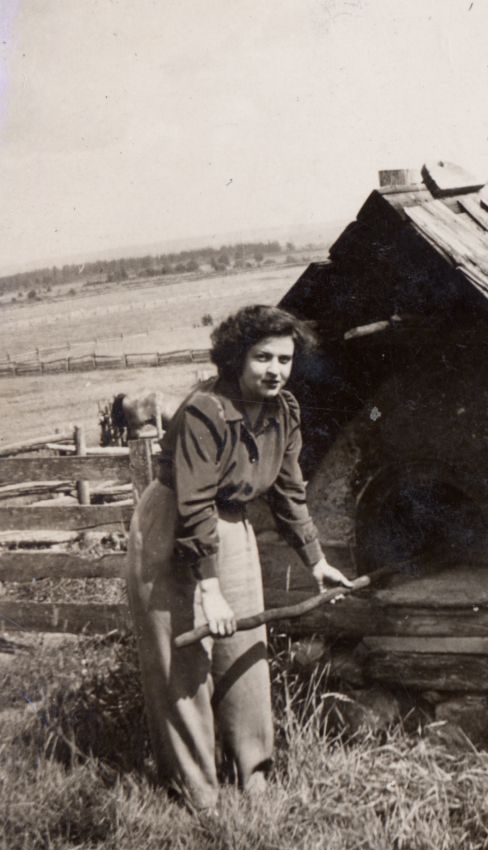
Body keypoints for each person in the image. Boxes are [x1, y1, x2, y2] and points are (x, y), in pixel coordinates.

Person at [125, 305, 350, 810]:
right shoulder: (205, 409)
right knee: (181, 662)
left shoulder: (284, 410)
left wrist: (315, 560)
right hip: (173, 527)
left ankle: (255, 776)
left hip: (232, 525)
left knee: (244, 648)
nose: (275, 369)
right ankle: (197, 792)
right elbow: (194, 504)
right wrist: (209, 590)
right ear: (236, 359)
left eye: (285, 359)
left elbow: (289, 492)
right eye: (262, 357)